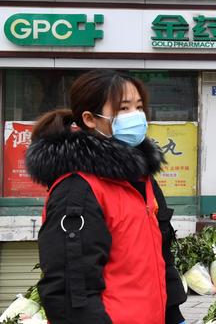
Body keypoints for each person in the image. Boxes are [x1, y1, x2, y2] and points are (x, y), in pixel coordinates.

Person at [25, 70, 186, 324]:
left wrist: (173, 313)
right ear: (90, 119)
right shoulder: (77, 190)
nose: (136, 116)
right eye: (123, 108)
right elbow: (70, 290)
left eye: (139, 107)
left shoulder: (142, 179)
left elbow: (161, 257)